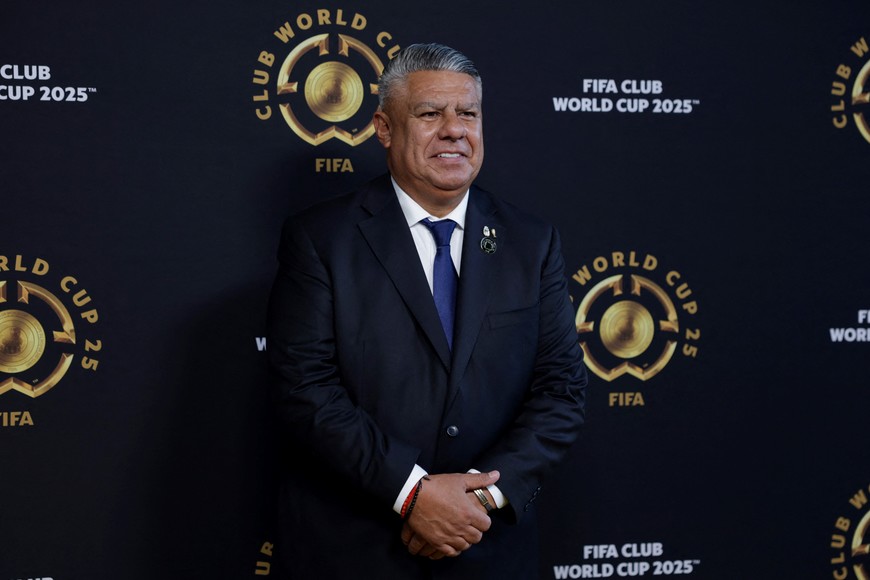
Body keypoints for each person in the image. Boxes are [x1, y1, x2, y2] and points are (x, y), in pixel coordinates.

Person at [267, 43, 587, 579]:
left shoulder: (531, 242)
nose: (454, 130)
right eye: (429, 114)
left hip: (485, 547)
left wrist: (475, 503)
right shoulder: (321, 238)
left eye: (468, 114)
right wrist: (412, 493)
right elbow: (305, 388)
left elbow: (561, 390)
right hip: (356, 553)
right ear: (384, 128)